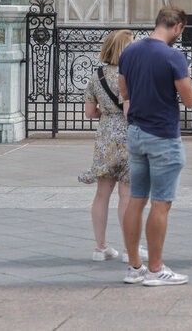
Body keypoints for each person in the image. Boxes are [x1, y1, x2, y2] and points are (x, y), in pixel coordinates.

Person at [117, 6, 192, 286]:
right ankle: (155, 270)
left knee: (136, 200)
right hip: (163, 135)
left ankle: (134, 267)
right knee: (161, 204)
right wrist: (187, 76)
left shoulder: (129, 52)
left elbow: (123, 90)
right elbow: (190, 100)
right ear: (177, 27)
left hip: (136, 133)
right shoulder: (174, 56)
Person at [78, 29, 148, 263]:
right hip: (128, 135)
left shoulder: (96, 76)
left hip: (106, 135)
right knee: (127, 195)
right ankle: (130, 248)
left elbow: (89, 112)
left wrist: (105, 113)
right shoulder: (132, 75)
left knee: (102, 194)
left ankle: (101, 247)